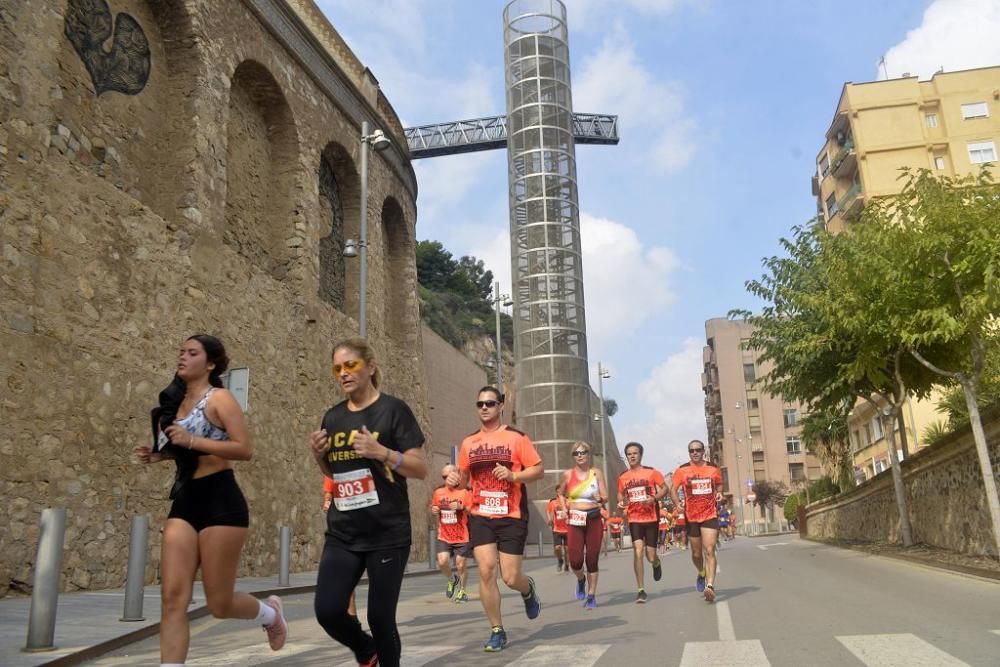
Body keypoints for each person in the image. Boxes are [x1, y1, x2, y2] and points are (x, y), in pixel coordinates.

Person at [135, 334, 287, 667]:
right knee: (173, 598)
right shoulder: (174, 403)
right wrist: (161, 455)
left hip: (221, 501)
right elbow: (185, 450)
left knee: (219, 603)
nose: (182, 357)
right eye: (181, 352)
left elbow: (244, 448)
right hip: (186, 500)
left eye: (192, 353)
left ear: (211, 364)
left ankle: (269, 614)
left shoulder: (219, 399)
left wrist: (192, 440)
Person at [309, 338, 428, 667]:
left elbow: (419, 468)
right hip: (344, 531)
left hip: (386, 531)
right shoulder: (332, 418)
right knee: (328, 610)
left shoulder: (393, 410)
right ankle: (366, 650)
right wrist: (319, 457)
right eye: (337, 368)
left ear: (370, 367)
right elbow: (335, 472)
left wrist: (383, 453)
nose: (343, 373)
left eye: (351, 365)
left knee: (380, 617)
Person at [449, 387, 543, 652]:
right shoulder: (469, 443)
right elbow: (463, 477)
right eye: (480, 403)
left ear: (501, 406)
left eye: (490, 403)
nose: (484, 407)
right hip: (481, 514)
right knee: (487, 569)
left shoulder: (516, 438)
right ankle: (497, 630)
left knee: (511, 577)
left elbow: (538, 469)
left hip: (511, 514)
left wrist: (514, 477)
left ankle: (527, 590)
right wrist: (457, 479)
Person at [557, 441, 609, 610]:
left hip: (593, 518)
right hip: (575, 519)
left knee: (592, 559)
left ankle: (591, 595)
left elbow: (605, 496)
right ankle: (580, 579)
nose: (580, 455)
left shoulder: (596, 473)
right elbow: (560, 494)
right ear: (573, 456)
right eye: (576, 453)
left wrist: (599, 498)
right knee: (575, 560)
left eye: (583, 452)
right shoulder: (567, 475)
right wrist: (564, 509)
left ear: (588, 454)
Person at [671, 439, 724, 603]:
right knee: (696, 553)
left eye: (698, 450)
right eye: (691, 450)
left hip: (709, 514)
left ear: (703, 451)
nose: (695, 453)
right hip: (691, 516)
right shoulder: (682, 470)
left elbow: (720, 485)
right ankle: (701, 572)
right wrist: (677, 503)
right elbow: (673, 489)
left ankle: (710, 586)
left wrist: (719, 493)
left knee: (709, 550)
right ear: (689, 453)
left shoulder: (713, 469)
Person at [616, 442, 667, 604]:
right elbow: (620, 495)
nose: (632, 456)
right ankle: (641, 590)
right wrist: (621, 503)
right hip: (634, 519)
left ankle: (656, 562)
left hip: (651, 518)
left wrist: (653, 498)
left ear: (640, 455)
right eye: (629, 454)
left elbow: (665, 488)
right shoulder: (623, 477)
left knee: (650, 556)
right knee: (637, 551)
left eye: (635, 453)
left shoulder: (652, 473)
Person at [431, 464, 472, 603]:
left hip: (462, 535)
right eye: (444, 477)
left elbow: (471, 510)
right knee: (442, 562)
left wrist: (461, 507)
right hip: (444, 535)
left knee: (461, 564)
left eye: (448, 475)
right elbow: (434, 507)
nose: (446, 479)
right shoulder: (438, 492)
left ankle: (462, 591)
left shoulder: (465, 492)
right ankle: (452, 579)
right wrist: (434, 510)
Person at [546, 495, 570, 572]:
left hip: (567, 529)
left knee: (567, 549)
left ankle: (567, 565)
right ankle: (560, 560)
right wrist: (550, 519)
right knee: (557, 548)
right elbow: (548, 510)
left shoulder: (569, 501)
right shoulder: (553, 502)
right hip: (557, 529)